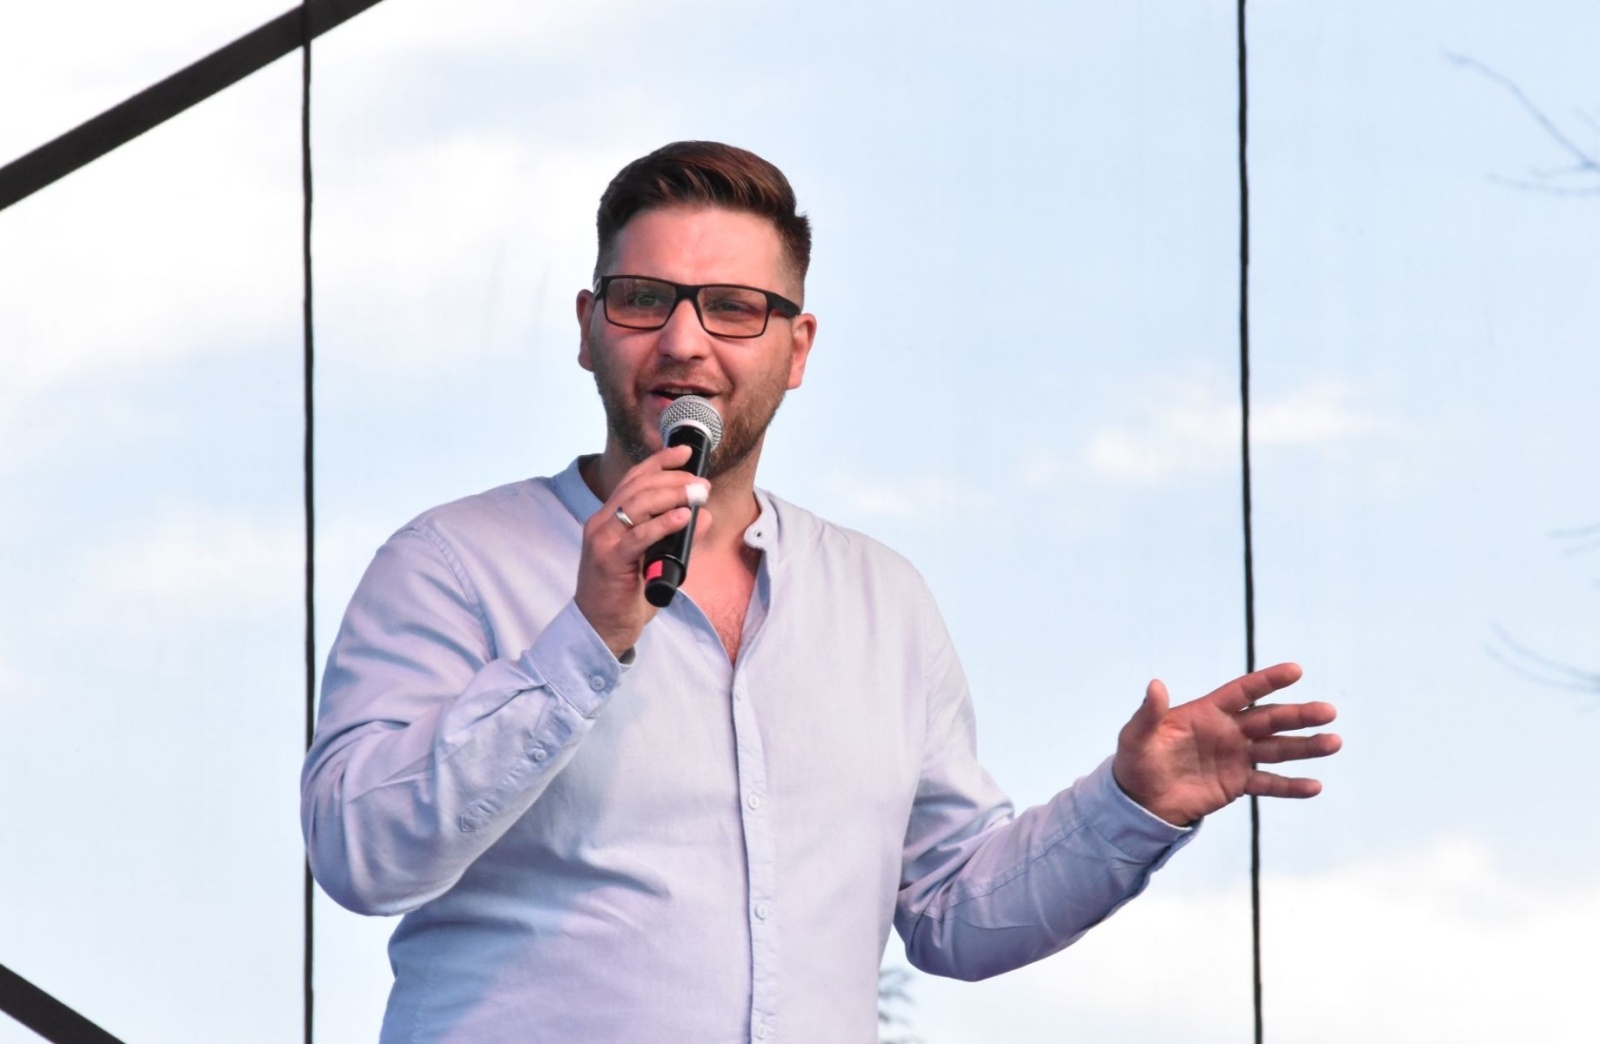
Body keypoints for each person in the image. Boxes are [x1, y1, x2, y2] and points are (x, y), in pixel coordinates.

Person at [301, 141, 1340, 1043]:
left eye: (733, 309)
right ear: (587, 327)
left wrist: (1130, 805)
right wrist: (584, 639)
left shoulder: (881, 602)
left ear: (795, 350)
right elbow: (361, 854)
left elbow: (950, 910)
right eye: (643, 299)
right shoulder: (450, 563)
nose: (683, 341)